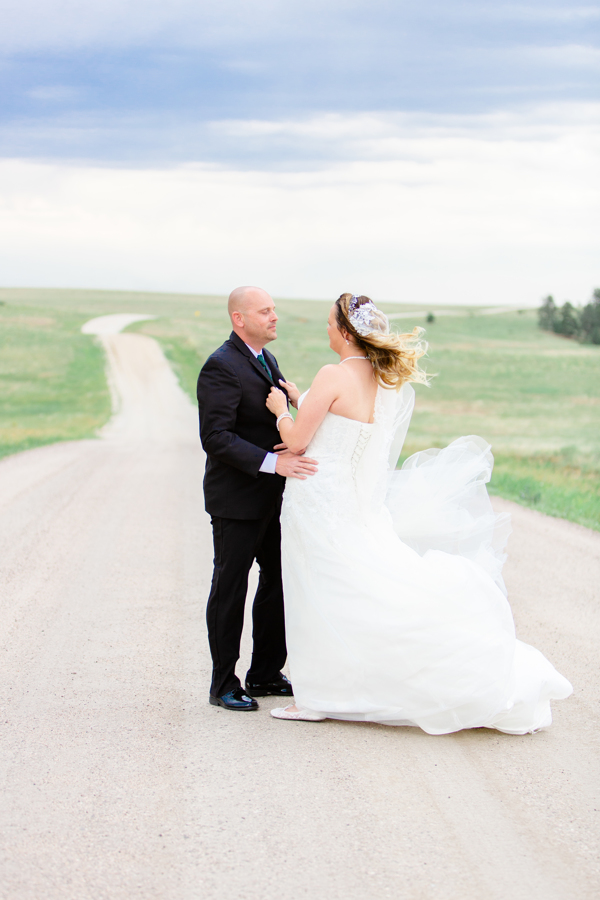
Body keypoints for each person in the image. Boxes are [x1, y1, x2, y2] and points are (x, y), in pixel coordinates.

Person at [265, 293, 572, 733]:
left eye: (330, 322)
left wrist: (281, 412)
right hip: (353, 504)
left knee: (317, 589)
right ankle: (327, 688)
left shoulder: (332, 374)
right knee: (348, 587)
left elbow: (297, 442)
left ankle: (319, 694)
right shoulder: (383, 379)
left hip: (318, 501)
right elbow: (345, 428)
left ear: (346, 332)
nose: (327, 329)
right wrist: (302, 399)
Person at [197, 286, 317, 711]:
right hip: (237, 498)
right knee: (230, 586)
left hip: (276, 497)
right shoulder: (220, 366)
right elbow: (215, 437)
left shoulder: (267, 360)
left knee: (279, 580)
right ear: (239, 319)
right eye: (265, 311)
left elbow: (265, 420)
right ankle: (223, 684)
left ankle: (265, 673)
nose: (274, 317)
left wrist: (285, 446)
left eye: (274, 310)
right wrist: (270, 462)